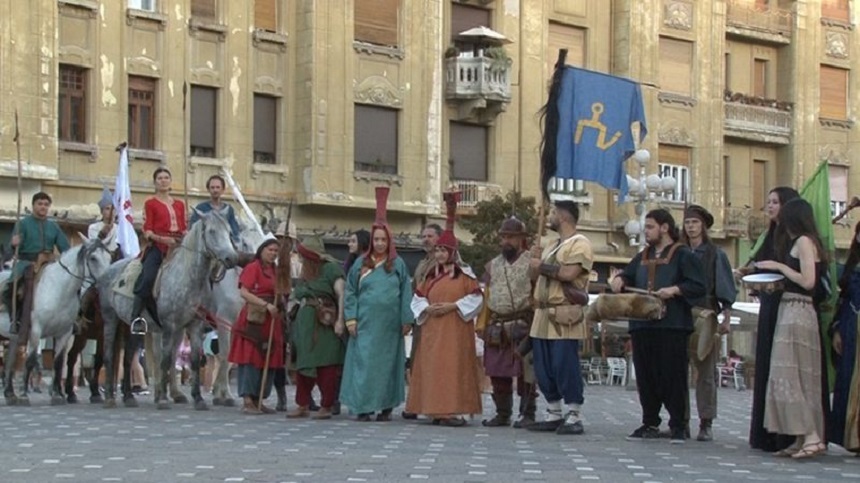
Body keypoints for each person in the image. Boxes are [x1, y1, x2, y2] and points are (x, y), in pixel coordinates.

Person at [611, 208, 706, 444]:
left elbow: (698, 285)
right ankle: (650, 421)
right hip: (643, 325)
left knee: (673, 376)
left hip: (671, 325)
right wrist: (620, 280)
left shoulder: (683, 255)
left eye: (651, 227)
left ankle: (678, 425)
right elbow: (629, 275)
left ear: (665, 228)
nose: (647, 232)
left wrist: (675, 290)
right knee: (646, 376)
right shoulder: (643, 255)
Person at [755, 198, 827, 458]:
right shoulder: (799, 242)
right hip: (790, 306)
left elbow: (808, 281)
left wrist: (779, 267)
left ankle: (811, 436)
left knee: (791, 374)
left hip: (798, 311)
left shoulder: (804, 242)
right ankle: (800, 437)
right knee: (793, 374)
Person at [406, 193, 483, 426]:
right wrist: (427, 309)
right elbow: (417, 298)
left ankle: (453, 410)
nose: (439, 254)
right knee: (433, 370)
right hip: (432, 330)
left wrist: (452, 306)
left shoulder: (465, 275)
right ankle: (435, 410)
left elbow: (477, 298)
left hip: (455, 330)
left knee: (453, 369)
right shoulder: (429, 276)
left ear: (452, 252)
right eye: (437, 250)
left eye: (443, 250)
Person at [340, 186, 414, 422]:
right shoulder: (360, 264)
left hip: (390, 326)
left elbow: (406, 293)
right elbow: (350, 291)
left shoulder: (398, 264)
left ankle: (385, 407)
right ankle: (363, 406)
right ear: (371, 241)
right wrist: (350, 318)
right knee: (364, 365)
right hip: (364, 324)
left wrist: (406, 319)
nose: (380, 243)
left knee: (387, 367)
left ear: (389, 240)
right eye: (376, 239)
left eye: (384, 239)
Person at [739, 186, 800, 452]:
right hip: (769, 305)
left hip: (788, 307)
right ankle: (764, 433)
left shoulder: (797, 239)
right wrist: (749, 272)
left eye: (775, 202)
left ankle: (786, 434)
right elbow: (761, 267)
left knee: (783, 367)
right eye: (768, 202)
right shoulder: (770, 236)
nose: (770, 206)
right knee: (765, 364)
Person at [527, 200, 593, 436]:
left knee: (564, 363)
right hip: (542, 312)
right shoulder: (551, 245)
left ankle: (574, 412)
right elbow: (534, 276)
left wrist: (541, 265)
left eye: (553, 213)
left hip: (563, 311)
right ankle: (553, 410)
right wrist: (534, 262)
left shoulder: (580, 244)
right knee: (543, 367)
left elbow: (568, 273)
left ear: (563, 217)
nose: (549, 217)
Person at [681, 205, 737, 442]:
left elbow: (724, 287)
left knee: (705, 373)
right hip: (681, 314)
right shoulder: (679, 251)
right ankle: (680, 421)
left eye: (695, 222)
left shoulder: (716, 254)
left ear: (703, 225)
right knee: (678, 372)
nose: (691, 227)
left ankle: (706, 422)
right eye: (687, 223)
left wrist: (726, 317)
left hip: (706, 313)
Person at [477, 215, 538, 428]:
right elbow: (484, 295)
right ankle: (503, 413)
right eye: (503, 237)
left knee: (526, 373)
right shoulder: (492, 265)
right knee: (497, 371)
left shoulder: (533, 262)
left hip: (523, 322)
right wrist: (482, 324)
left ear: (521, 238)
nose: (506, 241)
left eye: (511, 237)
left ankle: (527, 413)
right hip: (497, 324)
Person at [286, 236, 346, 420]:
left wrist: (340, 321)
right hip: (305, 322)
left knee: (326, 364)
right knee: (303, 362)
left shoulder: (330, 269)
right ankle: (302, 404)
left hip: (324, 321)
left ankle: (326, 405)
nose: (302, 259)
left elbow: (342, 294)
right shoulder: (305, 272)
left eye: (304, 255)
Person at [227, 238, 285, 414]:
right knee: (250, 358)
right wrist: (265, 305)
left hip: (272, 319)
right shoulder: (253, 268)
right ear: (262, 250)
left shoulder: (276, 271)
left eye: (276, 251)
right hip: (255, 318)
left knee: (268, 356)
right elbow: (244, 292)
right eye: (270, 250)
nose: (273, 253)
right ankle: (247, 400)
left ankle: (259, 398)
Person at [2, 192, 70, 335]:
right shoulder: (23, 224)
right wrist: (14, 244)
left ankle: (73, 318)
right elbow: (11, 249)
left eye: (46, 204)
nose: (43, 207)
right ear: (33, 205)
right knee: (10, 289)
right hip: (27, 263)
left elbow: (65, 248)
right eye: (40, 204)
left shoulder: (54, 227)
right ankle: (16, 319)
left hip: (49, 264)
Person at [132, 167, 187, 332]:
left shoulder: (179, 204)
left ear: (170, 181)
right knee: (148, 278)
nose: (163, 180)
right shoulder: (150, 203)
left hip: (179, 247)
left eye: (166, 177)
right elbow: (147, 230)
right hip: (158, 246)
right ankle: (136, 318)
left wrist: (186, 237)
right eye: (160, 178)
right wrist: (163, 239)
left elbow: (184, 228)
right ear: (155, 183)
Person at [402, 222, 442, 421]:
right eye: (424, 236)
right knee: (417, 362)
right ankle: (416, 403)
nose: (426, 239)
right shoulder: (422, 263)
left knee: (435, 363)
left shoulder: (446, 262)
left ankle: (436, 406)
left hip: (437, 318)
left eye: (430, 236)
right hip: (421, 318)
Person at [831, 216, 860, 453]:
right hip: (851, 326)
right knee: (850, 378)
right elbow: (842, 301)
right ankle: (851, 437)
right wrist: (837, 329)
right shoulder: (851, 267)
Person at [273, 220, 299, 411]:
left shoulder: (299, 262)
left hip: (294, 312)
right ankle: (281, 395)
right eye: (280, 239)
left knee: (299, 355)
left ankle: (305, 398)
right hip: (276, 314)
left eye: (287, 239)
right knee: (277, 357)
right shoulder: (271, 260)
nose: (284, 243)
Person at [190, 174, 242, 246]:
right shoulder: (201, 208)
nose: (215, 190)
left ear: (223, 189)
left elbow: (235, 230)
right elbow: (192, 229)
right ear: (208, 189)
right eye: (212, 187)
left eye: (218, 187)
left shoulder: (228, 209)